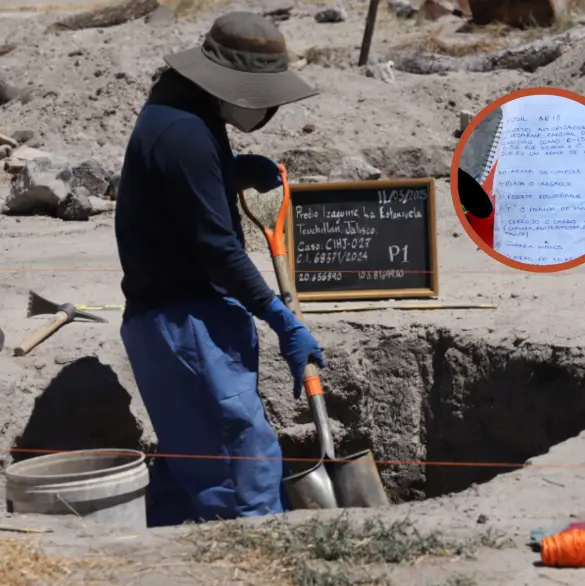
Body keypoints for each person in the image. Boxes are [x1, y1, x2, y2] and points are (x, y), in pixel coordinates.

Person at [114, 11, 325, 526]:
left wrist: (227, 175)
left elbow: (177, 198)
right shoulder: (185, 132)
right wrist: (281, 318)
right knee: (241, 472)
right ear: (237, 85)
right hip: (184, 326)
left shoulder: (180, 109)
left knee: (198, 471)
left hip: (180, 322)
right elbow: (220, 251)